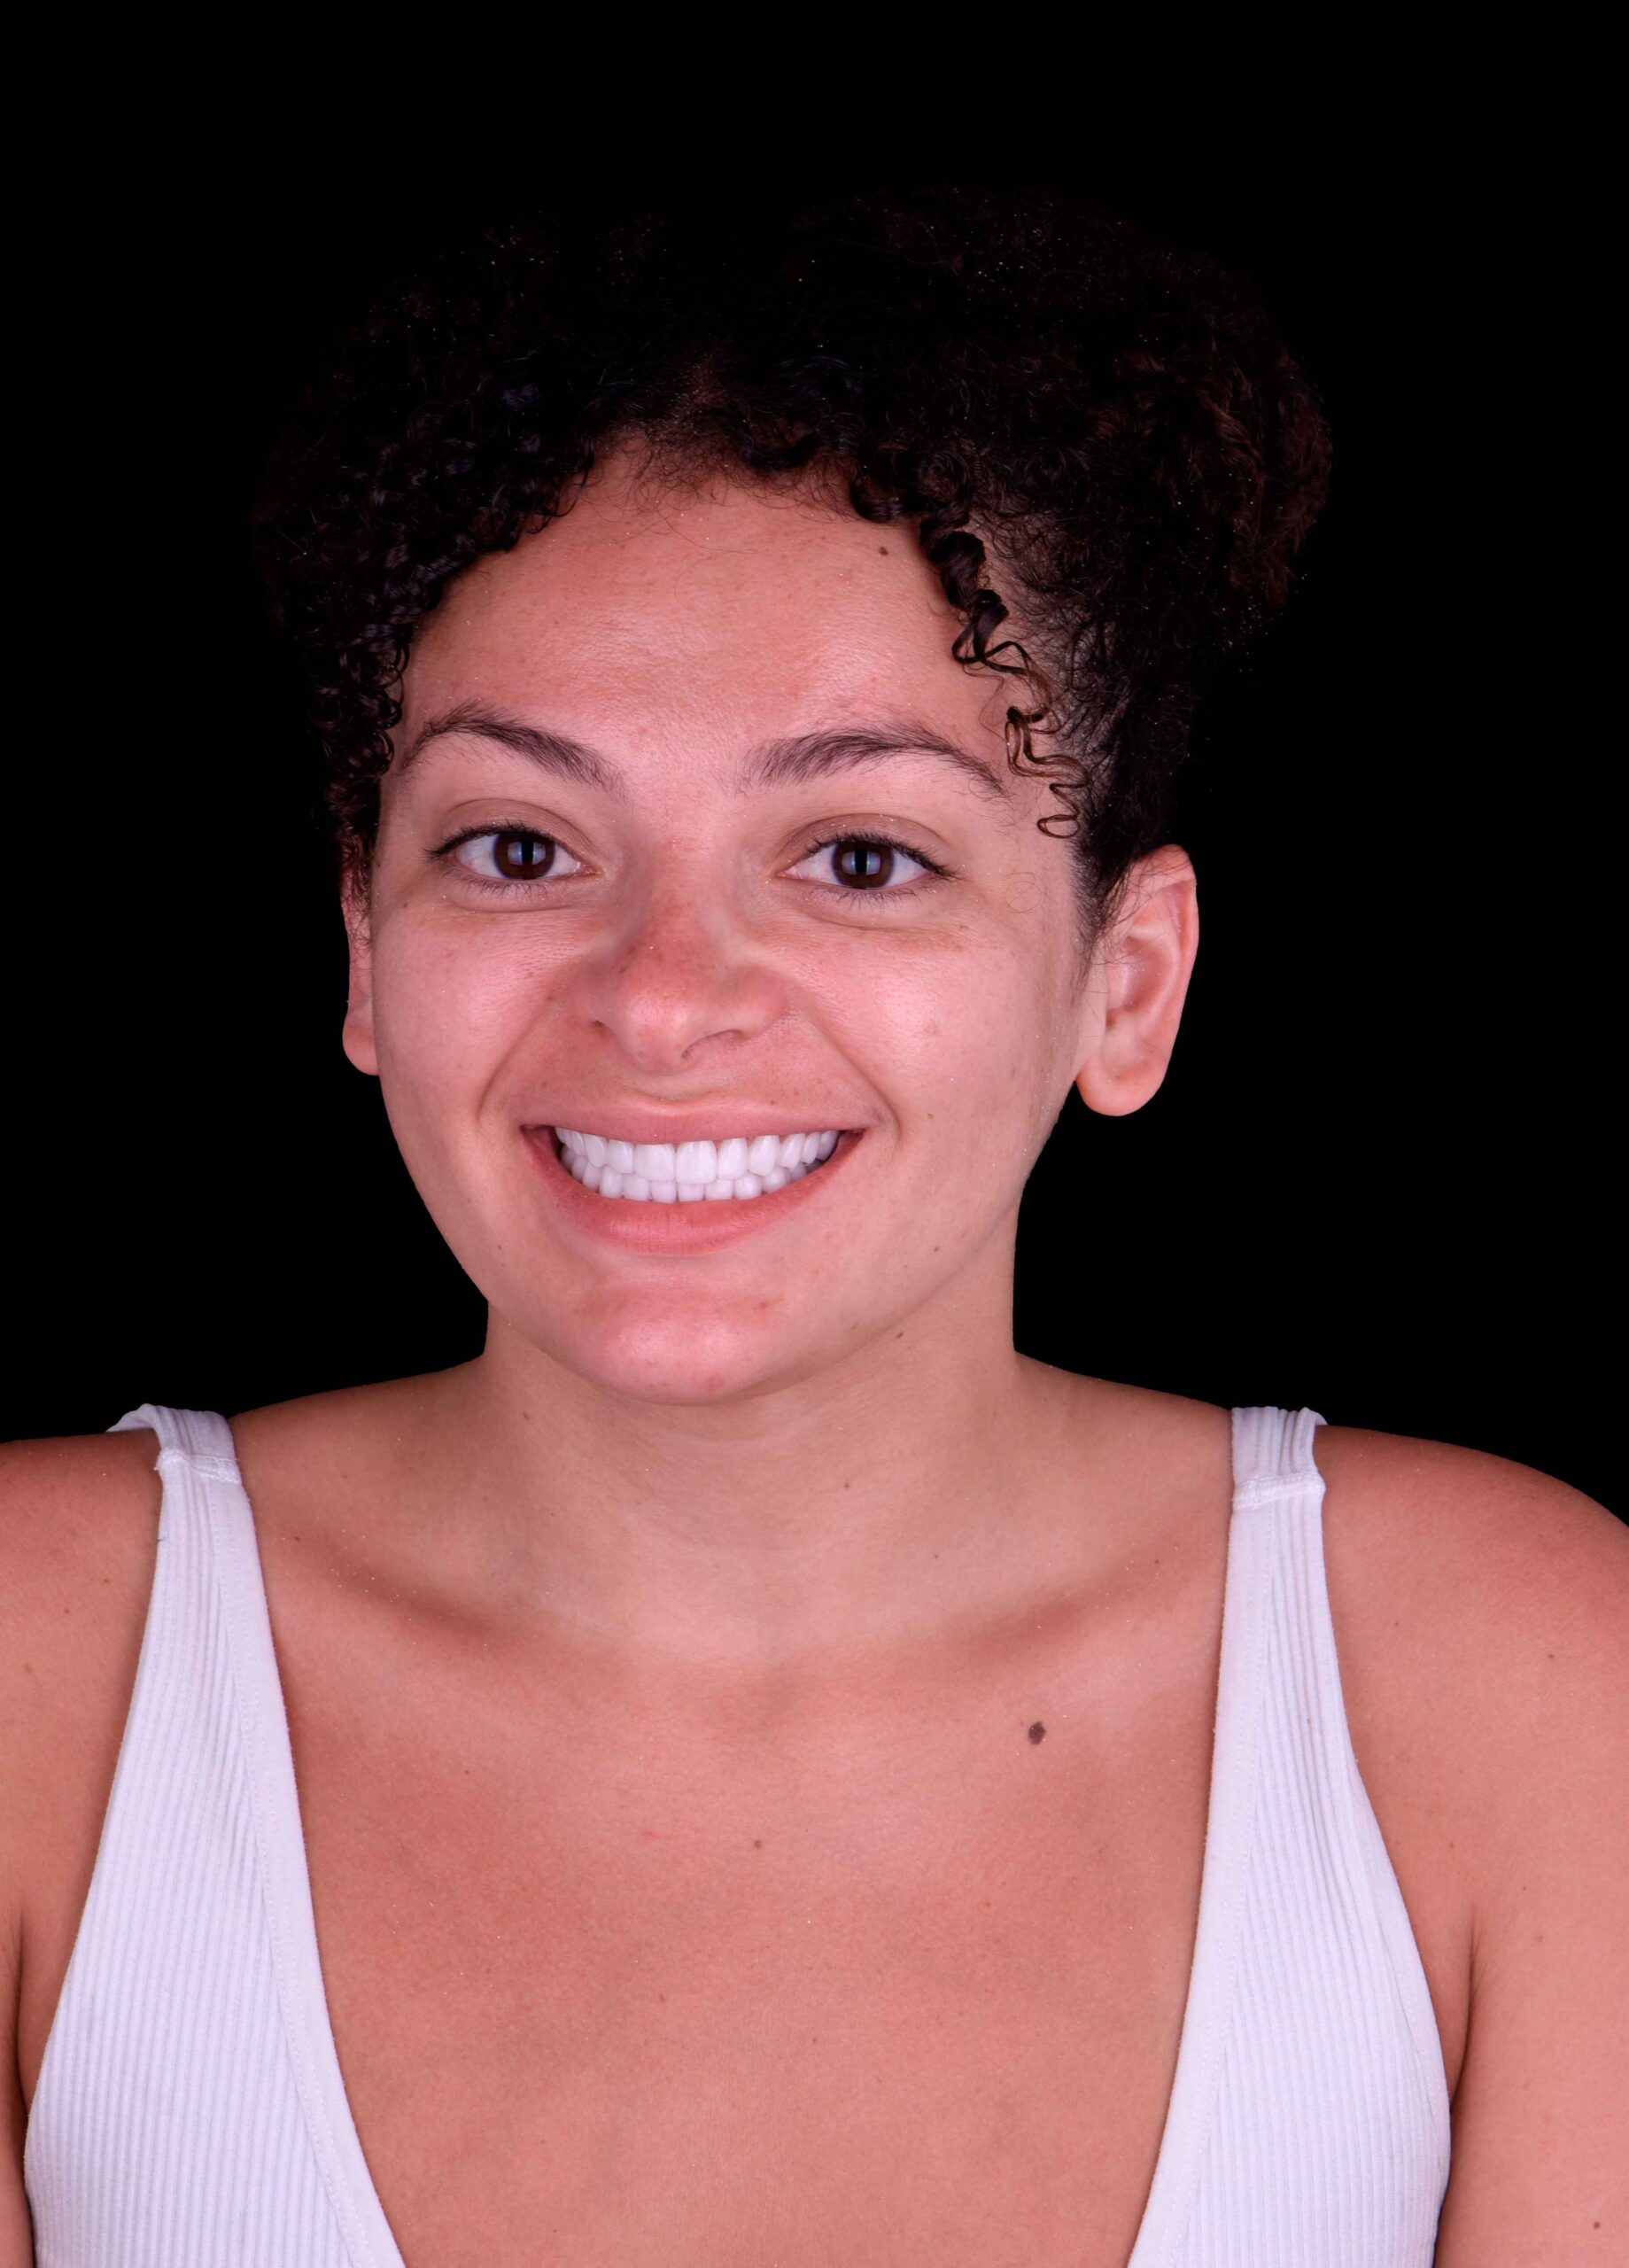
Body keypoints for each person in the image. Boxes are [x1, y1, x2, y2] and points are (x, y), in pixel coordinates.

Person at [3, 188, 1623, 2268]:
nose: (662, 994)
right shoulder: (44, 1677)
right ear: (361, 948)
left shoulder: (1515, 1694)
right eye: (518, 843)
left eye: (857, 852)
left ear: (1122, 983)